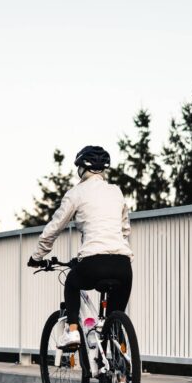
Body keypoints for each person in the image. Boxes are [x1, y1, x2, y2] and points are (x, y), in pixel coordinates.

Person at [27, 145, 133, 350]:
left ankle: (73, 330)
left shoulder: (76, 193)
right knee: (115, 322)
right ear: (103, 170)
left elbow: (54, 228)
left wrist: (37, 256)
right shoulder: (116, 191)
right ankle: (121, 376)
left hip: (93, 262)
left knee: (72, 283)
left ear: (82, 169)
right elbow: (125, 230)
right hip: (123, 265)